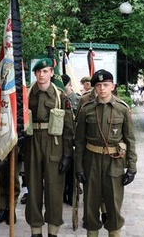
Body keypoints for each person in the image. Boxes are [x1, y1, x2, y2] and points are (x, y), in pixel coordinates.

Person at [74, 69, 138, 237]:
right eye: (98, 85)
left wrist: (132, 167)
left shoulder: (122, 109)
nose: (102, 88)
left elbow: (130, 140)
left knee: (114, 205)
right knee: (90, 206)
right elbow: (79, 141)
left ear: (112, 86)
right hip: (91, 161)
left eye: (106, 85)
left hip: (114, 162)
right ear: (94, 87)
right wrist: (78, 167)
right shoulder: (86, 109)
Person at [24, 58, 74, 237]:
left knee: (54, 190)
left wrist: (68, 154)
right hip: (32, 142)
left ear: (52, 73)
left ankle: (53, 231)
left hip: (55, 143)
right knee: (33, 188)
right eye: (38, 72)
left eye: (45, 71)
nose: (41, 75)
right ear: (35, 74)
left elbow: (68, 128)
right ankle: (35, 231)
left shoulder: (61, 96)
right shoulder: (27, 94)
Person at [62, 74, 79, 206]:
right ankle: (61, 193)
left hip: (73, 137)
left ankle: (71, 192)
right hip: (60, 137)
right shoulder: (58, 98)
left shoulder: (77, 99)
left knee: (72, 168)